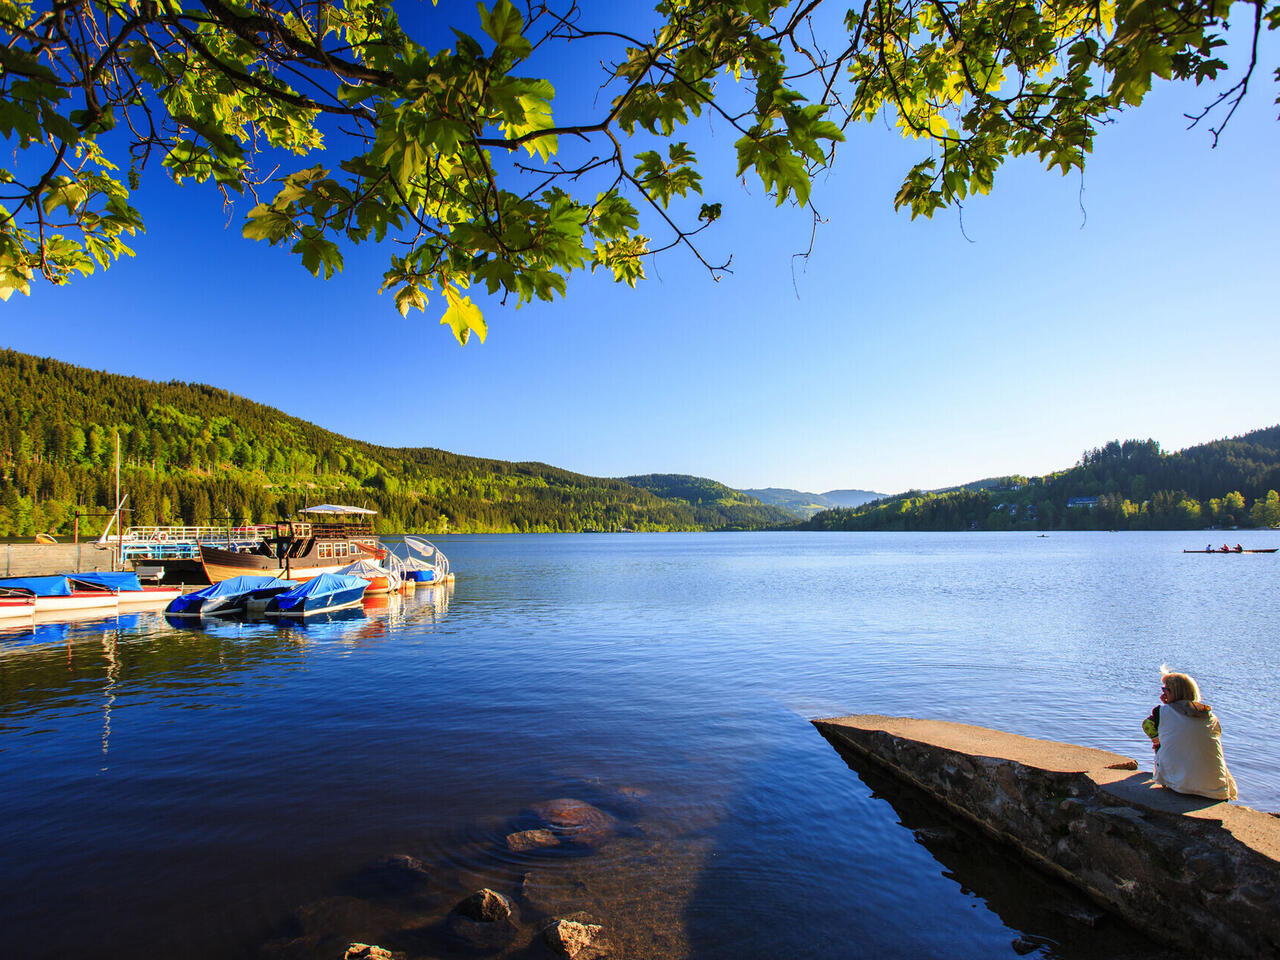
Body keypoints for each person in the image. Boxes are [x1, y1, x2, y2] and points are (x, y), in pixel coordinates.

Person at [1142, 672, 1237, 801]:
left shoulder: (1162, 712)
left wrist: (1157, 741)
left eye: (1164, 689)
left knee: (1164, 746)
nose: (1162, 693)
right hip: (1216, 789)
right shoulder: (1210, 716)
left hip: (1180, 785)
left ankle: (1167, 776)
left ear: (1173, 692)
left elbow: (1147, 725)